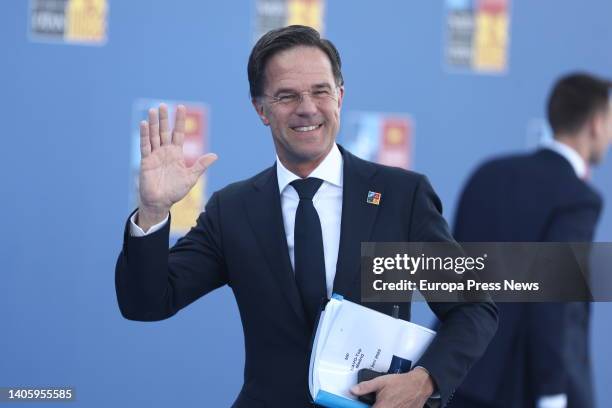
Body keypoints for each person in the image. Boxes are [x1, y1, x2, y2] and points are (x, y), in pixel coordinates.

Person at [115, 25, 498, 408]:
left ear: (340, 97)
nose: (307, 108)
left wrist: (424, 380)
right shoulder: (232, 210)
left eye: (320, 91)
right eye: (287, 96)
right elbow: (146, 302)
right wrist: (152, 210)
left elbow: (472, 307)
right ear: (261, 109)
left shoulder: (402, 197)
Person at [450, 73, 612, 408]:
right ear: (596, 124)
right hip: (525, 388)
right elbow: (554, 303)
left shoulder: (488, 173)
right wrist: (552, 393)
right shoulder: (578, 197)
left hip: (458, 374)